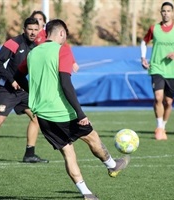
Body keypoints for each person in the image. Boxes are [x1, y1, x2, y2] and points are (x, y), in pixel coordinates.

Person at [16, 19, 130, 200]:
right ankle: (111, 165)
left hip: (42, 115)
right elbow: (66, 84)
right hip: (62, 112)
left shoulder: (33, 53)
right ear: (61, 33)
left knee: (68, 152)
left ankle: (86, 193)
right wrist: (80, 113)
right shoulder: (62, 50)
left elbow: (18, 75)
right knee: (92, 137)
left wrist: (33, 92)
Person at [0, 17, 48, 164]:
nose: (33, 33)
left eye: (35, 29)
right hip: (6, 88)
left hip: (23, 89)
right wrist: (11, 80)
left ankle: (29, 154)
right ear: (24, 30)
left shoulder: (38, 46)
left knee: (37, 117)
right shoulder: (14, 42)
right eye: (30, 29)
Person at [140, 2, 174, 140]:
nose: (166, 13)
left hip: (173, 70)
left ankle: (163, 126)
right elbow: (144, 41)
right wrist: (143, 57)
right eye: (164, 11)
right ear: (160, 12)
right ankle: (159, 128)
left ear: (172, 13)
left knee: (168, 101)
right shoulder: (154, 28)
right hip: (156, 67)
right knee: (158, 98)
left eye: (169, 11)